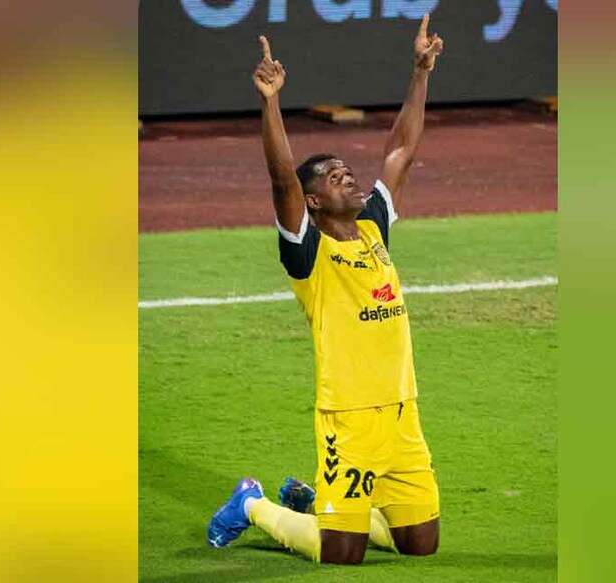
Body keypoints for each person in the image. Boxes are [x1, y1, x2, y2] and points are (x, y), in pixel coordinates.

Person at [206, 14, 445, 565]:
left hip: (403, 415)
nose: (350, 178)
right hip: (350, 419)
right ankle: (254, 505)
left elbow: (400, 153)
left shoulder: (372, 228)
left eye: (348, 172)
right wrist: (270, 103)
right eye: (335, 178)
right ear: (312, 201)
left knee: (421, 545)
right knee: (342, 555)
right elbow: (281, 178)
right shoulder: (307, 252)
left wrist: (420, 72)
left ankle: (319, 503)